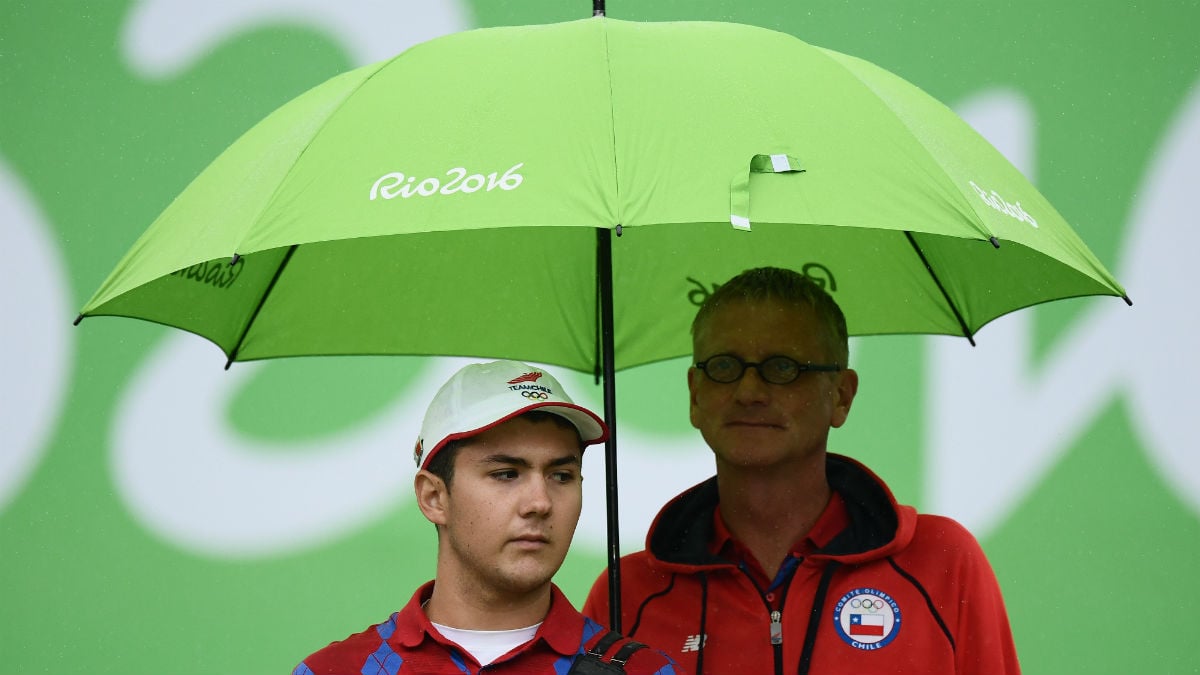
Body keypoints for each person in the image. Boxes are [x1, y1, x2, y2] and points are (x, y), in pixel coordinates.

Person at [582, 267, 1020, 674]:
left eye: (782, 368)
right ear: (695, 396)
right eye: (724, 367)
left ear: (842, 396)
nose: (749, 391)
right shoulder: (626, 594)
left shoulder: (942, 561)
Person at [293, 360, 683, 675]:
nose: (540, 503)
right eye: (507, 474)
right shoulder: (335, 670)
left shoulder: (645, 671)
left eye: (561, 476)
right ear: (434, 497)